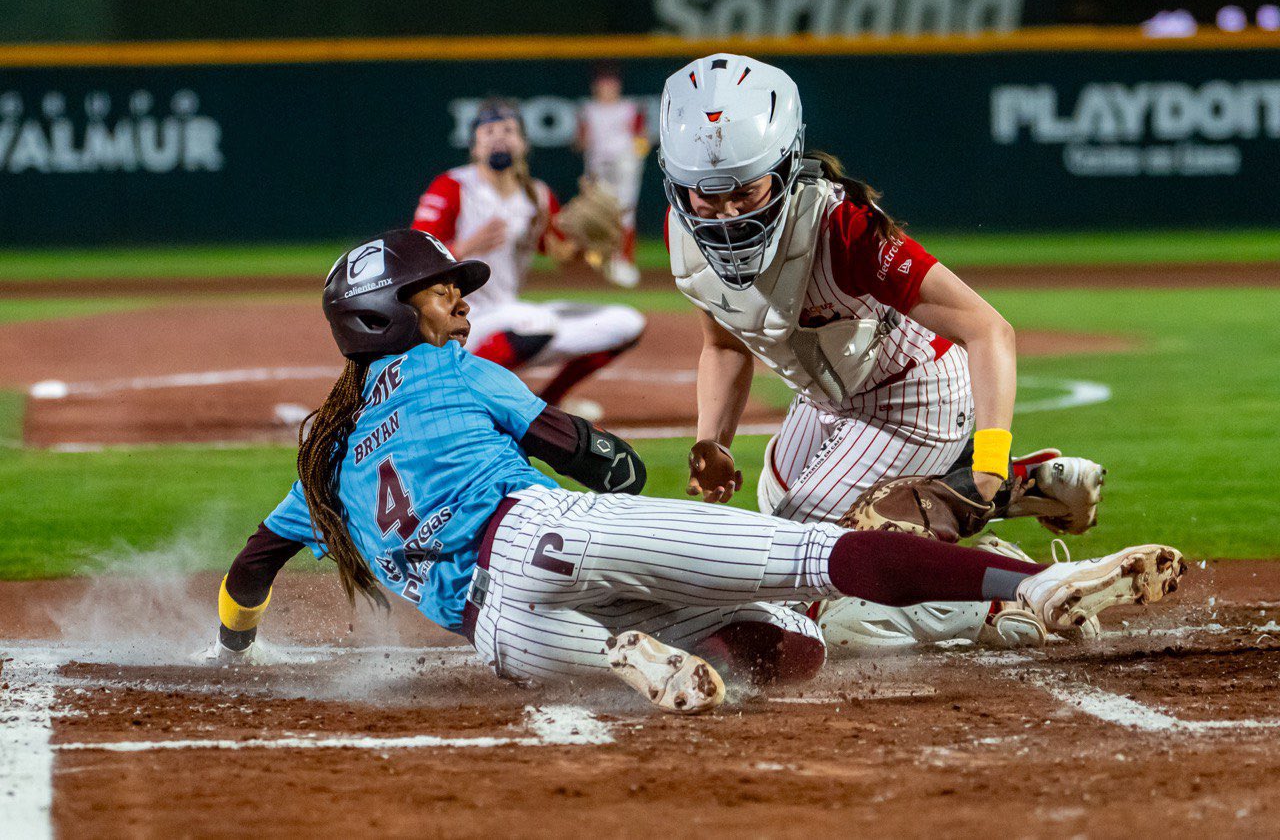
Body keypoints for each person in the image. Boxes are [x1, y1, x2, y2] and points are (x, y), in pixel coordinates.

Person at [195, 229, 1186, 715]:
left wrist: (236, 648)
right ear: (387, 316)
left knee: (772, 655)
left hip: (503, 623)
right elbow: (584, 453)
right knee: (810, 560)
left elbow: (250, 568)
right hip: (556, 531)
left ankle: (622, 650)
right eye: (435, 290)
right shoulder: (452, 369)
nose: (454, 300)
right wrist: (617, 465)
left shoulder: (318, 465)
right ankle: (1033, 582)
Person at [658, 54, 1110, 652]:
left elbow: (988, 329)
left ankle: (997, 598)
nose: (725, 215)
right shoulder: (682, 230)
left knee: (804, 568)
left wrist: (992, 451)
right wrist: (711, 441)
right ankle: (1007, 491)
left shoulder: (843, 230)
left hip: (916, 396)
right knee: (775, 495)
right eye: (705, 195)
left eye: (744, 191)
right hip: (832, 398)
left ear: (786, 165)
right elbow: (722, 345)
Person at [413, 98, 644, 420]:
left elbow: (564, 258)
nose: (499, 136)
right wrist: (465, 247)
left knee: (627, 322)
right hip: (457, 323)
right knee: (538, 322)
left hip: (507, 317)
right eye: (488, 130)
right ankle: (452, 392)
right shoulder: (453, 186)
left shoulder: (537, 195)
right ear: (474, 147)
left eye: (508, 129)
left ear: (523, 143)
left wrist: (590, 247)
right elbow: (414, 258)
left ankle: (549, 403)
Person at [575, 64, 650, 289]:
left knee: (625, 210)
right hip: (598, 166)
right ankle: (601, 262)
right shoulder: (588, 109)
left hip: (625, 165)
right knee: (599, 213)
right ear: (596, 87)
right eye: (603, 84)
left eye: (611, 84)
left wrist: (634, 156)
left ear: (618, 86)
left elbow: (642, 138)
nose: (607, 88)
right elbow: (580, 142)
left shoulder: (629, 107)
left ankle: (625, 261)